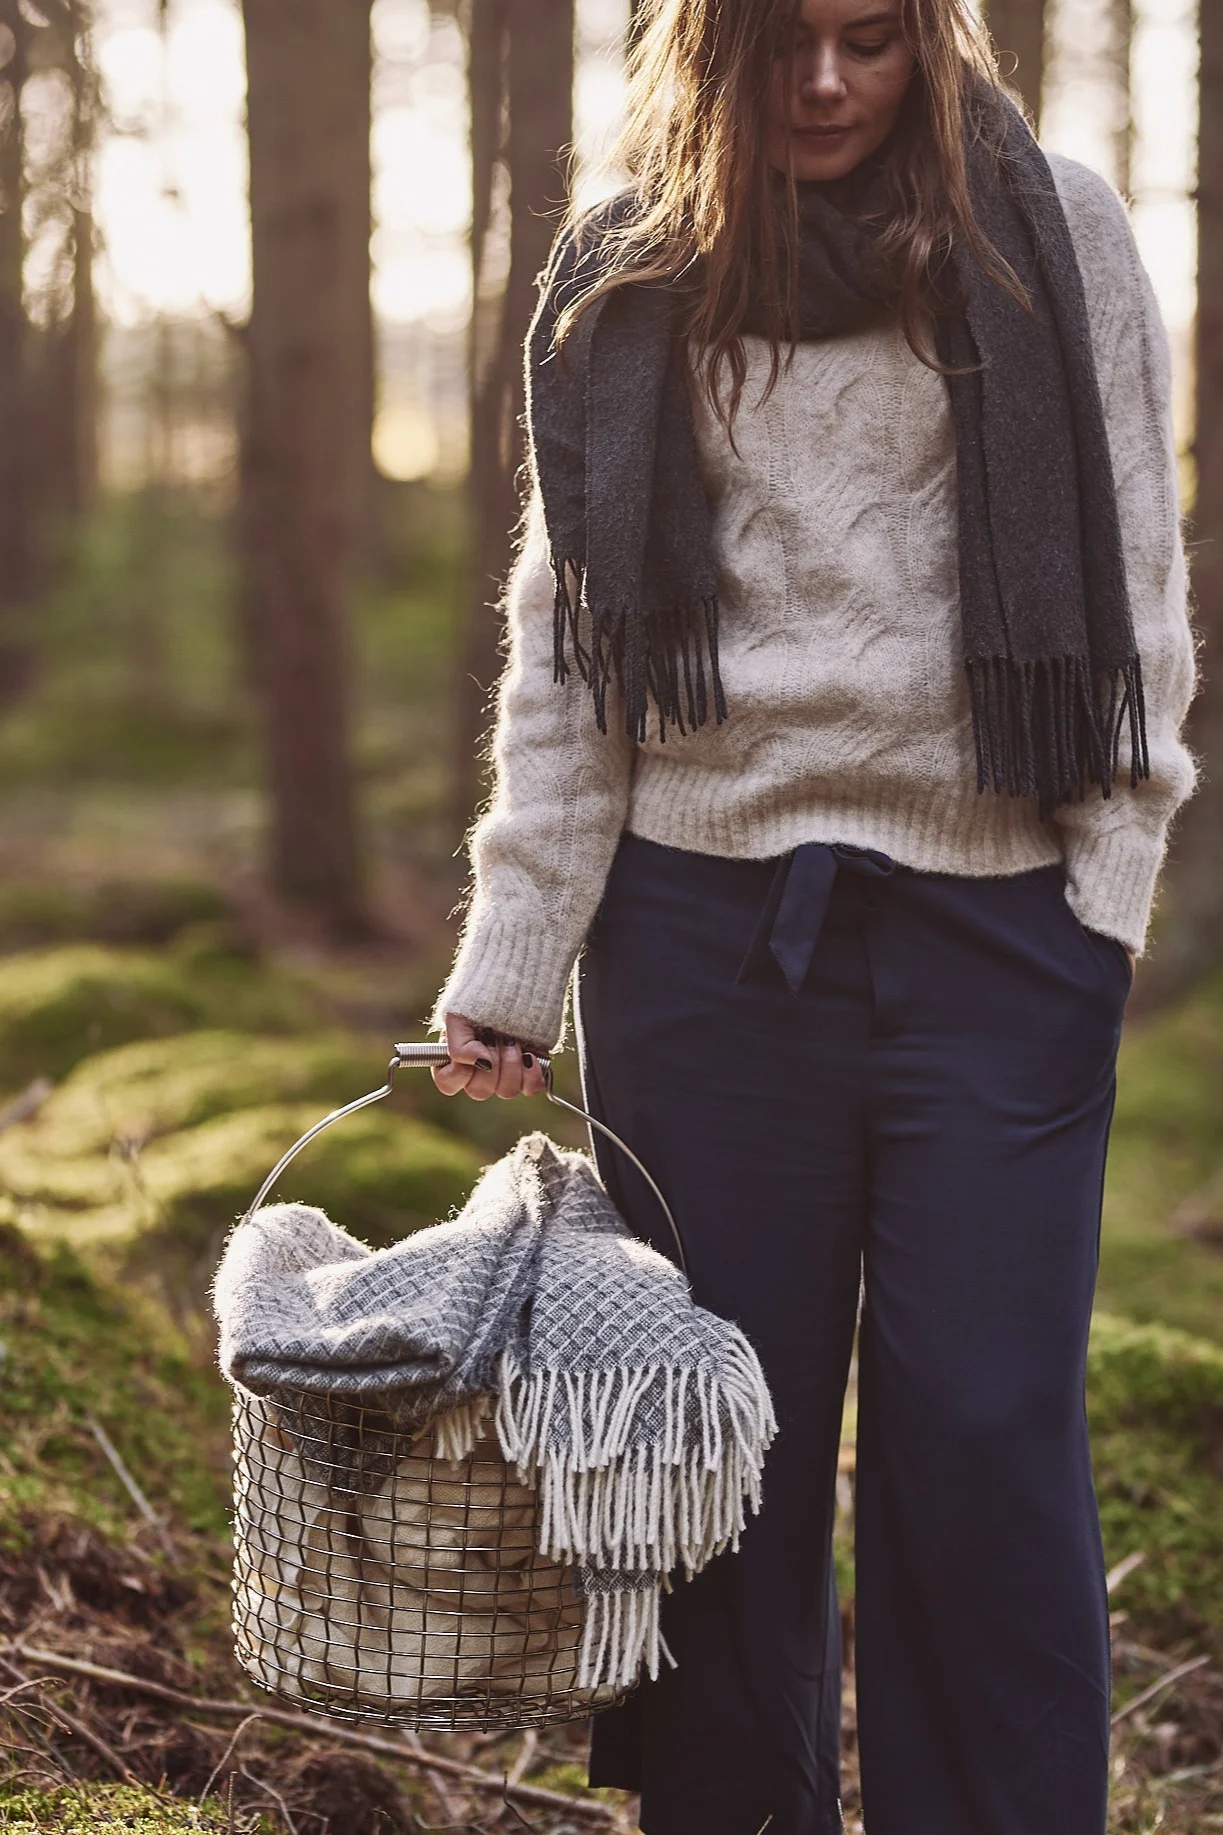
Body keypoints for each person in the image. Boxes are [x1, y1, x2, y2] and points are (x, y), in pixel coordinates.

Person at [431, 0, 1197, 1829]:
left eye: (868, 37)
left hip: (1001, 936)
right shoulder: (629, 264)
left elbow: (1140, 570)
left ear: (927, 39)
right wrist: (515, 950)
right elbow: (571, 638)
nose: (829, 82)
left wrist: (1104, 894)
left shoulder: (1056, 230)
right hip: (700, 941)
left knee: (988, 1440)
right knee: (716, 1456)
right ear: (714, 50)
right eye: (787, 44)